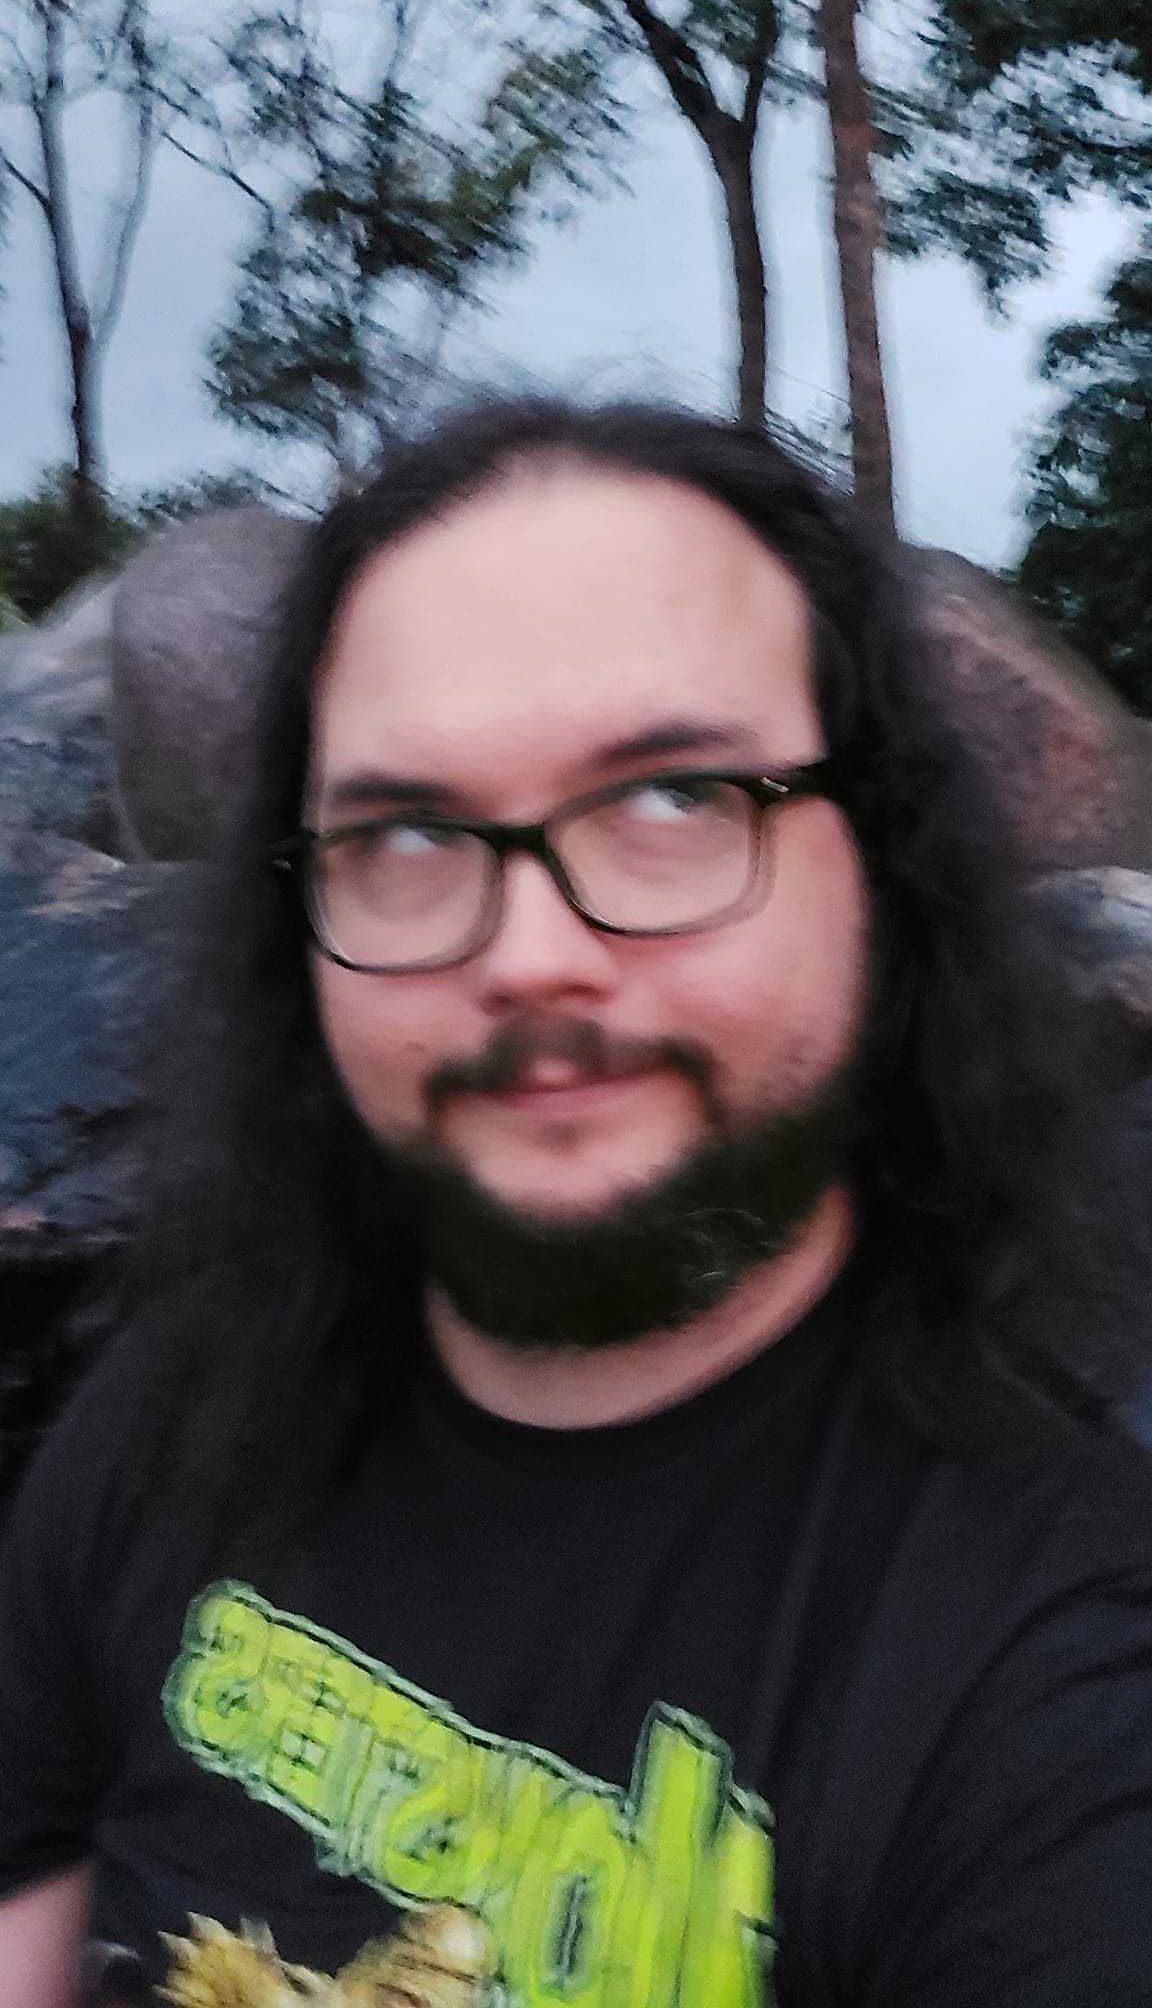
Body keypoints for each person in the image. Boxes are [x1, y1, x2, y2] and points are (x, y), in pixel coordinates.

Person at [1, 399, 1151, 2008]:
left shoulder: (1067, 1674)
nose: (530, 952)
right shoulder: (175, 1412)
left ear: (880, 874)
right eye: (404, 833)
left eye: (677, 798)